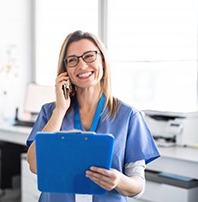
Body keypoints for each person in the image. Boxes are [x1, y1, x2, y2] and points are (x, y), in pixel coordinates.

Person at [26, 30, 160, 202]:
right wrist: (60, 110)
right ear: (65, 70)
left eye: (89, 56)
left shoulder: (129, 116)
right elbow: (35, 165)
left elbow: (138, 186)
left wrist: (118, 180)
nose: (82, 66)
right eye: (72, 60)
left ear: (102, 61)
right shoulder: (50, 112)